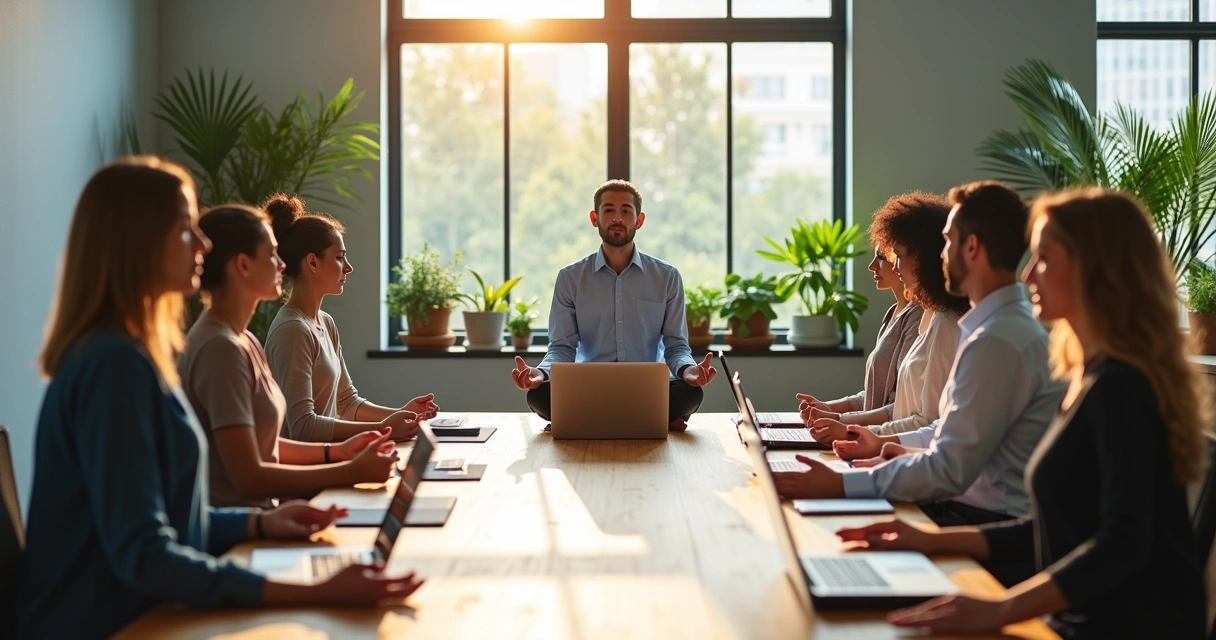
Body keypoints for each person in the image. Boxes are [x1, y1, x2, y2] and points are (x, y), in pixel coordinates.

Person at [14, 158, 423, 640]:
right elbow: (146, 554)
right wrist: (313, 591)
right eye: (186, 228)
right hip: (114, 624)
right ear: (138, 242)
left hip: (144, 610)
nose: (204, 244)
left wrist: (261, 523)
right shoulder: (113, 366)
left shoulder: (134, 355)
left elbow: (173, 521)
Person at [836, 189, 1208, 639]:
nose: (1028, 274)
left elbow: (1120, 545)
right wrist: (932, 539)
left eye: (1045, 259)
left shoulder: (1122, 387)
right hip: (1082, 615)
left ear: (1095, 270)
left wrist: (1000, 609)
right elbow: (1057, 526)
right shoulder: (1090, 377)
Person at [772, 181, 1066, 529]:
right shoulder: (993, 329)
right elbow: (946, 430)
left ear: (971, 248)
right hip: (966, 510)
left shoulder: (998, 340)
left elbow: (949, 469)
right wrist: (881, 444)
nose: (941, 254)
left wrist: (842, 484)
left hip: (981, 522)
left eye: (948, 242)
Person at [181, 204, 403, 508]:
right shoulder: (220, 348)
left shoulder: (243, 339)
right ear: (243, 266)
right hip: (243, 529)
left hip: (266, 516)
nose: (282, 265)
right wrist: (346, 470)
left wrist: (338, 453)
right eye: (272, 254)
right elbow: (249, 478)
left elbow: (266, 446)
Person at [509, 180, 717, 431]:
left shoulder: (667, 276)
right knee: (538, 395)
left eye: (626, 211)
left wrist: (687, 370)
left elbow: (675, 345)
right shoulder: (570, 278)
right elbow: (562, 347)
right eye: (608, 210)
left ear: (639, 220)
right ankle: (652, 420)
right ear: (594, 218)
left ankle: (586, 421)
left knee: (690, 393)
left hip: (647, 390)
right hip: (588, 389)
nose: (617, 218)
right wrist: (540, 374)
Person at [263, 194, 439, 443]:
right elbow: (301, 427)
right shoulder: (292, 330)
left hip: (331, 461)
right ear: (312, 262)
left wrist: (404, 415)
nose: (348, 267)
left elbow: (346, 402)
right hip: (311, 473)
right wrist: (382, 429)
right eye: (339, 257)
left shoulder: (325, 323)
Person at [798, 192, 968, 446]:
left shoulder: (944, 322)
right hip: (892, 453)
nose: (894, 266)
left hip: (903, 457)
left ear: (923, 258)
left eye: (897, 255)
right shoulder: (931, 317)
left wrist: (848, 429)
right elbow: (902, 406)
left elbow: (928, 422)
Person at [793, 195, 926, 426]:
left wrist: (839, 420)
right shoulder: (893, 313)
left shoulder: (917, 317)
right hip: (868, 435)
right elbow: (873, 396)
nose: (872, 266)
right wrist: (826, 408)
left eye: (882, 258)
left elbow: (902, 405)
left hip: (881, 438)